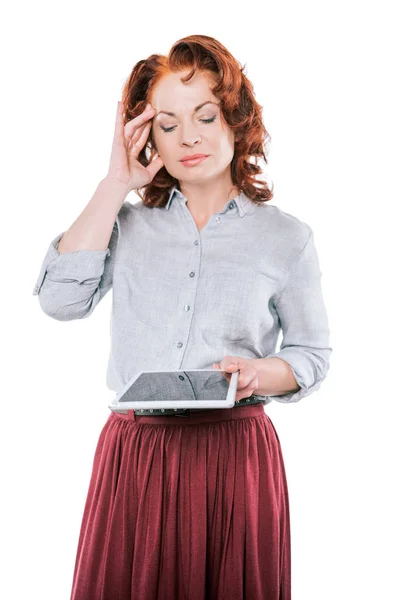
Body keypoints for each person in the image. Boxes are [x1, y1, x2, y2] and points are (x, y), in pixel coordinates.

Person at [32, 34, 332, 600]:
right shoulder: (124, 224)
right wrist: (115, 182)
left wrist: (255, 373)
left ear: (235, 121)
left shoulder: (286, 238)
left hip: (233, 453)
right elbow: (59, 301)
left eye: (205, 115)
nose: (188, 137)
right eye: (167, 125)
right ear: (149, 139)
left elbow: (312, 354)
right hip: (136, 454)